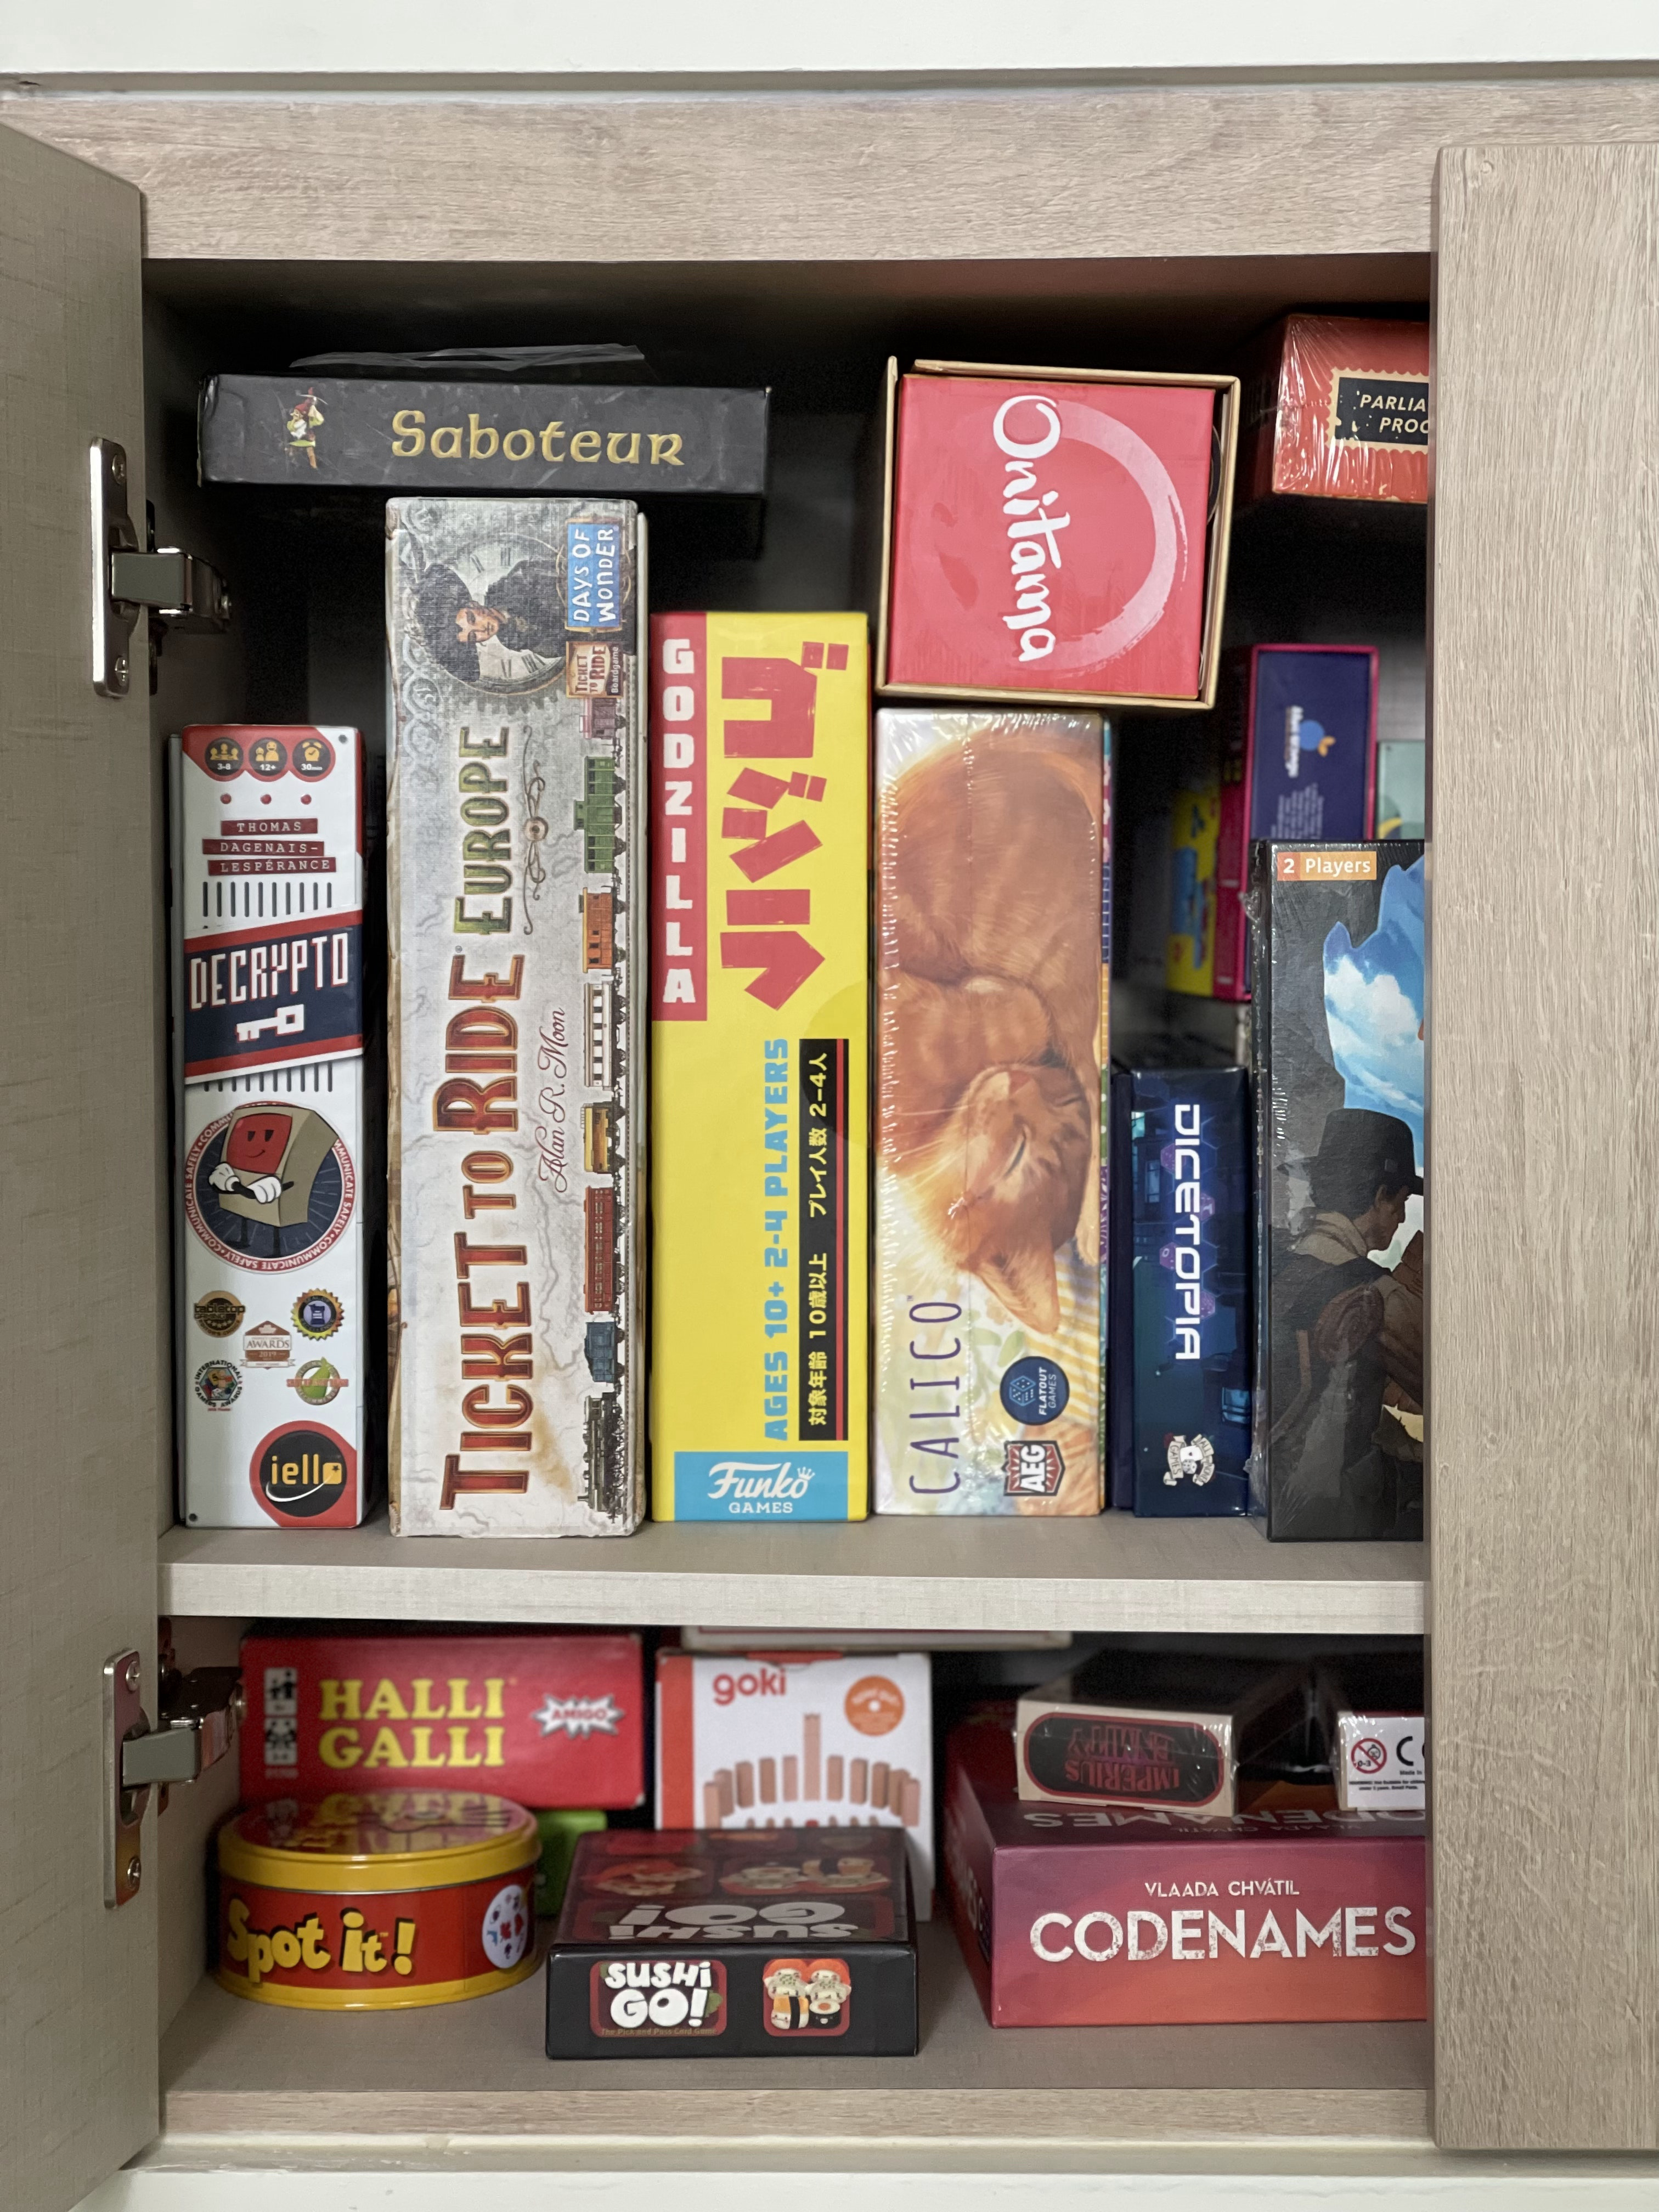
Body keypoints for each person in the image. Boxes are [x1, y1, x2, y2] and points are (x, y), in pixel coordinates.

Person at [1268, 1107, 1424, 1539]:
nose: (1403, 1218)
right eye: (1402, 1202)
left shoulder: (1278, 1265)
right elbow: (1445, 1386)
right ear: (1379, 1198)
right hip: (1333, 1514)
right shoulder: (1372, 1292)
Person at [414, 555, 567, 683]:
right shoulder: (521, 640)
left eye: (473, 619)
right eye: (473, 636)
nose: (482, 630)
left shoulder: (522, 578)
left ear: (474, 605)